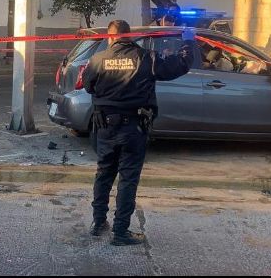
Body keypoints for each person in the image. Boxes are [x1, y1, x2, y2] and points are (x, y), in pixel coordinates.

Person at [82, 19, 194, 246]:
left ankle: (98, 223)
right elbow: (179, 66)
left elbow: (88, 86)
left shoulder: (97, 59)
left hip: (104, 127)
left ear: (110, 37)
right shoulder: (145, 57)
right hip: (133, 127)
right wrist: (188, 42)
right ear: (129, 35)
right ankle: (120, 232)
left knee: (103, 174)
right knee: (128, 178)